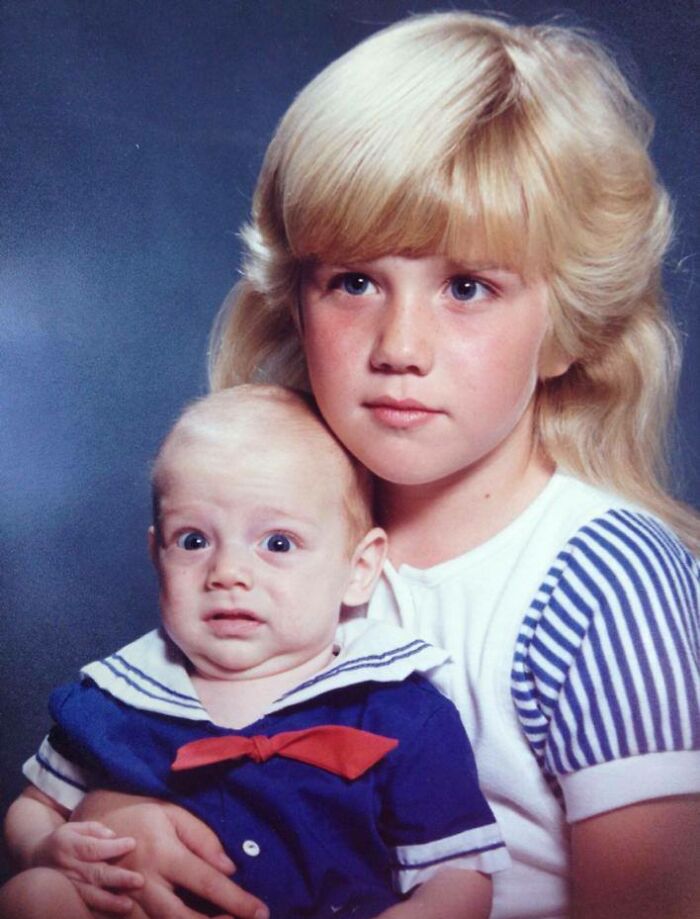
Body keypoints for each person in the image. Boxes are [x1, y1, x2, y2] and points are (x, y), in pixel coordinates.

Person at [12, 9, 699, 919]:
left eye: (467, 287)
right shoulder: (272, 522)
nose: (400, 345)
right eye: (355, 281)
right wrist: (115, 816)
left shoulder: (603, 580)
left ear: (566, 328)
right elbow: (186, 738)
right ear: (295, 300)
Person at [0, 385, 508, 919]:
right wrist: (44, 846)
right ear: (157, 554)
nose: (228, 574)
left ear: (358, 570)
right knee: (32, 894)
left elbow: (458, 881)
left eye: (278, 544)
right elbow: (33, 809)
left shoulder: (400, 713)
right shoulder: (118, 698)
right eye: (194, 541)